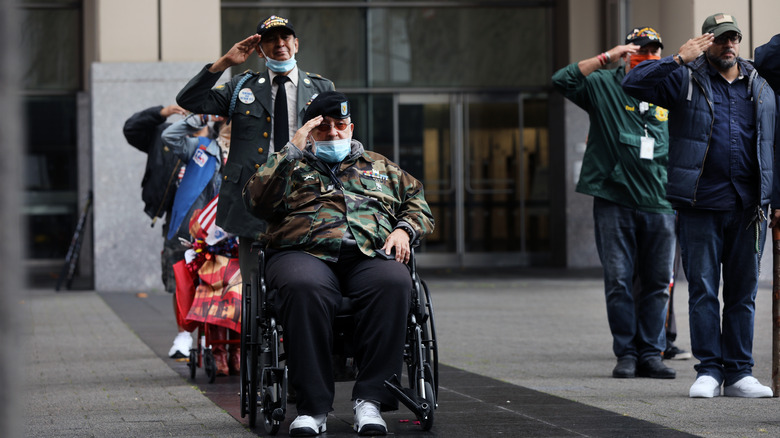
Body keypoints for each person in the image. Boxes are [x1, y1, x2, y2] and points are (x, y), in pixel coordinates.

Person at [243, 91, 434, 436]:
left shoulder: (380, 167)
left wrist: (404, 230)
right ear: (311, 131)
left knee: (394, 281)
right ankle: (312, 409)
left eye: (340, 125)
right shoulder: (292, 163)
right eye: (324, 127)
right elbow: (254, 202)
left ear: (351, 127)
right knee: (303, 288)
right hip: (302, 253)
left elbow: (417, 204)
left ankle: (371, 401)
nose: (333, 133)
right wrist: (291, 150)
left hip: (368, 254)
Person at [622, 13, 778, 398]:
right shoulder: (685, 79)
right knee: (704, 291)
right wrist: (677, 58)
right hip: (699, 205)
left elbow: (773, 146)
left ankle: (740, 373)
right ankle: (708, 370)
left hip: (748, 208)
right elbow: (631, 84)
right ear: (707, 42)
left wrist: (775, 199)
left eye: (733, 38)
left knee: (743, 293)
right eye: (720, 39)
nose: (728, 45)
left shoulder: (760, 83)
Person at [176, 15, 335, 301]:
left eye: (285, 38)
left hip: (307, 195)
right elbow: (189, 100)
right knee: (253, 285)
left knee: (307, 274)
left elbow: (338, 137)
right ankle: (258, 341)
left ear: (296, 44)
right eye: (271, 40)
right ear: (260, 51)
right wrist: (223, 63)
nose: (279, 44)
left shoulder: (322, 88)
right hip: (254, 197)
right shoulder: (241, 87)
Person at [551, 27, 677, 380]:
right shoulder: (604, 84)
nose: (646, 56)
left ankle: (652, 354)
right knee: (619, 280)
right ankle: (626, 353)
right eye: (639, 49)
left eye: (653, 51)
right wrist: (608, 55)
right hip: (614, 201)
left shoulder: (668, 87)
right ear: (625, 53)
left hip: (660, 202)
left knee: (656, 283)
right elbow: (562, 79)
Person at [162, 113, 233, 374]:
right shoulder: (202, 148)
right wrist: (201, 117)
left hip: (232, 235)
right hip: (195, 234)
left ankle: (232, 348)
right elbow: (169, 137)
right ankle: (197, 341)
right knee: (191, 286)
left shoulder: (251, 155)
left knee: (232, 290)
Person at [122, 104, 192, 359]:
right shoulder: (166, 133)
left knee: (215, 279)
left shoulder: (222, 135)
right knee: (179, 277)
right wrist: (161, 113)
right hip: (178, 217)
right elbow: (131, 129)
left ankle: (211, 340)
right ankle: (184, 335)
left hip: (215, 218)